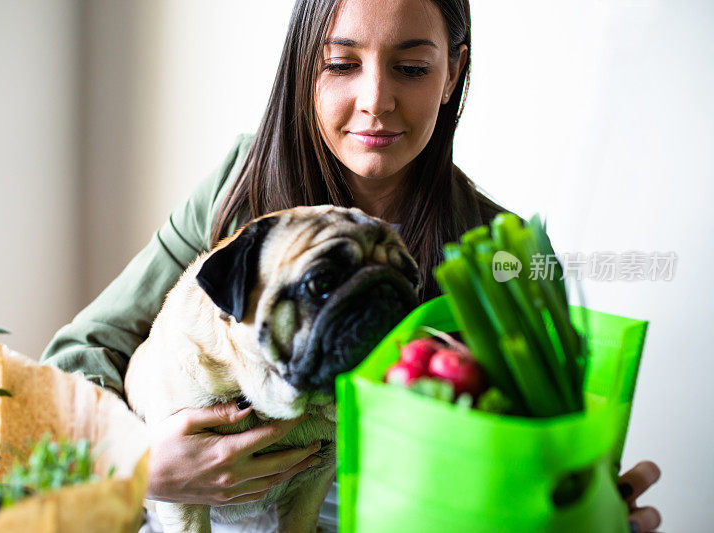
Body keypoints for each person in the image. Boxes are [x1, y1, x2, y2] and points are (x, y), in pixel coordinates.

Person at [41, 0, 662, 531]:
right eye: (341, 64)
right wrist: (141, 461)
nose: (375, 101)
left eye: (413, 67)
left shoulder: (503, 252)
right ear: (303, 65)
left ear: (454, 73)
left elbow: (539, 454)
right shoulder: (240, 186)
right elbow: (79, 352)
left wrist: (590, 504)